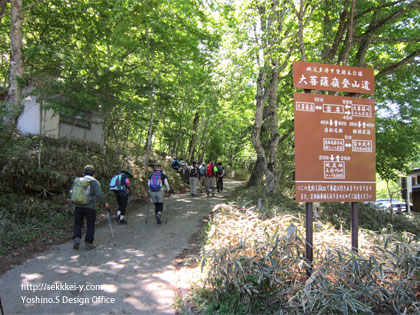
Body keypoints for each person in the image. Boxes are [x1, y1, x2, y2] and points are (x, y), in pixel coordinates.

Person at [70, 165, 109, 250]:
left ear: (83, 173)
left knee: (77, 223)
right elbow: (99, 194)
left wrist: (74, 202)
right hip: (90, 207)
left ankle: (76, 238)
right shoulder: (94, 182)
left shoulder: (77, 181)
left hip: (78, 206)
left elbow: (71, 193)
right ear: (93, 174)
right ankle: (89, 243)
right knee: (90, 224)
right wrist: (105, 203)